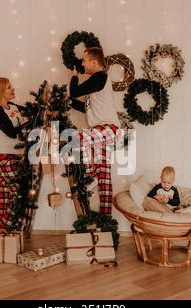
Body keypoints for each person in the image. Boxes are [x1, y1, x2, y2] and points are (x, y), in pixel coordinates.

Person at [69, 47, 121, 215]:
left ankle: (89, 177)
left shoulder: (100, 76)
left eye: (84, 60)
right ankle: (107, 223)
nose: (82, 63)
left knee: (77, 138)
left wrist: (74, 76)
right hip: (100, 132)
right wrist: (66, 104)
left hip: (108, 129)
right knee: (104, 175)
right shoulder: (96, 84)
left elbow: (74, 92)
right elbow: (83, 106)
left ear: (94, 62)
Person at [0, 77, 27, 232]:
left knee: (5, 194)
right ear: (0, 90)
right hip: (1, 156)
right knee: (20, 192)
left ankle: (1, 234)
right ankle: (4, 229)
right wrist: (26, 125)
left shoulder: (13, 106)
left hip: (13, 155)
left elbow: (31, 110)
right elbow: (10, 132)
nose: (13, 89)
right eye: (9, 87)